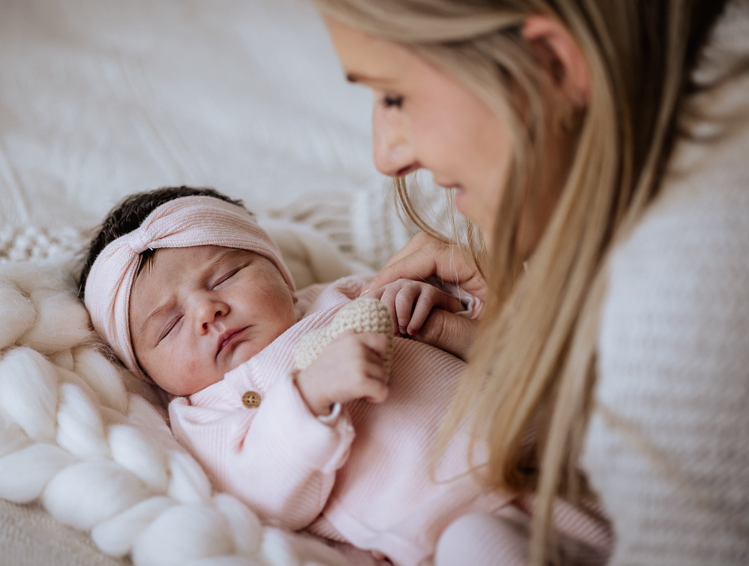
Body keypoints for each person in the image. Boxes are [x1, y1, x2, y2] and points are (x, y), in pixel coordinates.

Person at [265, 0, 749, 564]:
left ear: (551, 63)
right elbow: (368, 218)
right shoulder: (599, 107)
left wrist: (535, 331)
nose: (384, 154)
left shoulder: (688, 280)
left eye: (394, 96)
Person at [80, 187, 609, 566]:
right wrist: (307, 396)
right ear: (148, 372)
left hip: (552, 461)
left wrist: (425, 302)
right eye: (170, 326)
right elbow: (265, 493)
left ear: (280, 273)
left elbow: (481, 329)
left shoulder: (347, 296)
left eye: (225, 276)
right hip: (449, 525)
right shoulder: (205, 415)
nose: (206, 311)